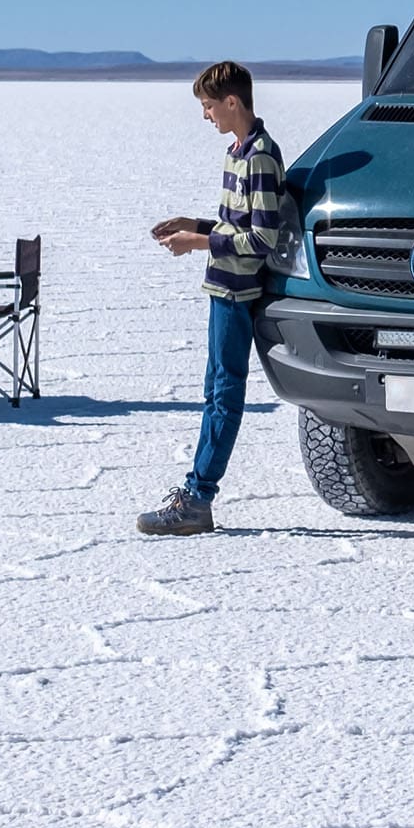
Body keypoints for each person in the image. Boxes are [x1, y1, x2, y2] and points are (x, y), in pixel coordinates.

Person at [136, 61, 286, 535]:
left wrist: (197, 243)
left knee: (224, 395)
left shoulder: (260, 157)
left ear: (232, 102)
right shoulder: (236, 152)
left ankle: (198, 498)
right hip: (223, 287)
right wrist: (194, 224)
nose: (206, 116)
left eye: (208, 106)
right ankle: (195, 494)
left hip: (237, 292)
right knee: (215, 391)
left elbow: (262, 239)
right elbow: (236, 226)